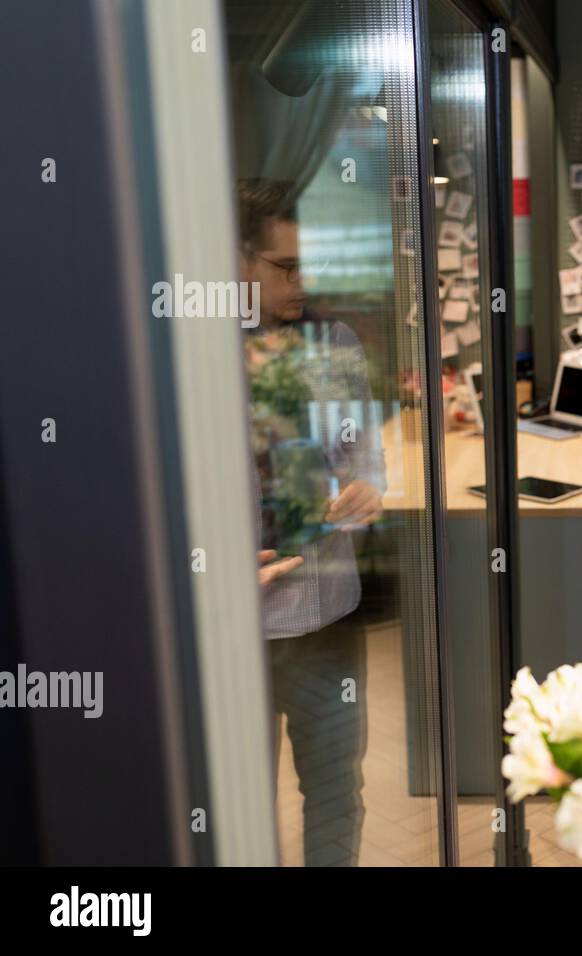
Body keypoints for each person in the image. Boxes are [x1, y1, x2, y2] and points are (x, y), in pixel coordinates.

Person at [239, 179, 385, 866]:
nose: (303, 281)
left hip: (326, 616)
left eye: (310, 264)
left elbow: (366, 457)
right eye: (285, 267)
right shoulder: (188, 356)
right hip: (230, 627)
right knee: (235, 802)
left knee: (334, 791)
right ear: (237, 262)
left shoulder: (337, 342)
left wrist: (365, 491)